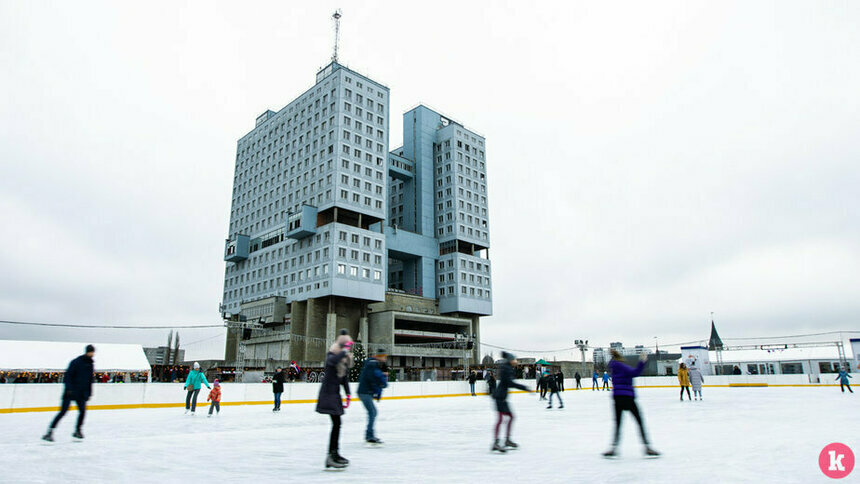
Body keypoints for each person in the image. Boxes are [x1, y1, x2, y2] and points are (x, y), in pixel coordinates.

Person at [603, 349, 660, 458]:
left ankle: (613, 448)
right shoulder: (621, 366)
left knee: (618, 424)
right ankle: (647, 447)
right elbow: (635, 372)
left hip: (617, 398)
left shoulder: (613, 368)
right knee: (639, 421)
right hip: (627, 397)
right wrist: (642, 361)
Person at [316, 329, 354, 470]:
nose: (348, 348)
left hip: (335, 395)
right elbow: (331, 362)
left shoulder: (342, 360)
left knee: (337, 424)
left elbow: (344, 378)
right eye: (347, 346)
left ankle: (334, 454)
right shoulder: (332, 355)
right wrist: (344, 351)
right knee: (337, 423)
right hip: (328, 395)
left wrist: (348, 394)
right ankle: (332, 455)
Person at [42, 344, 95, 442]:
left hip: (81, 393)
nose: (92, 354)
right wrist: (69, 389)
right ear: (87, 352)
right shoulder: (76, 362)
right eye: (91, 352)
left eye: (93, 352)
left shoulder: (90, 364)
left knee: (82, 411)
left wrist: (89, 392)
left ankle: (77, 431)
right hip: (70, 392)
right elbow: (68, 376)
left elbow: (90, 380)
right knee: (63, 412)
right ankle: (49, 432)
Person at [492, 351, 529, 453]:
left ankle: (507, 440)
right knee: (500, 419)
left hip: (501, 397)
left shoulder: (507, 368)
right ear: (510, 360)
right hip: (500, 397)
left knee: (510, 417)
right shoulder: (506, 368)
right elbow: (510, 383)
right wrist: (524, 387)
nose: (516, 361)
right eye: (514, 359)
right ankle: (496, 442)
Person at [357, 348, 388, 444]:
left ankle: (369, 435)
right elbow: (375, 378)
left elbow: (375, 379)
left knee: (373, 412)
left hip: (366, 392)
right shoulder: (372, 364)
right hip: (364, 392)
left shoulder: (373, 363)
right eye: (384, 357)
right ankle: (369, 436)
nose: (385, 359)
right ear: (380, 357)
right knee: (372, 412)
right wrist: (383, 381)